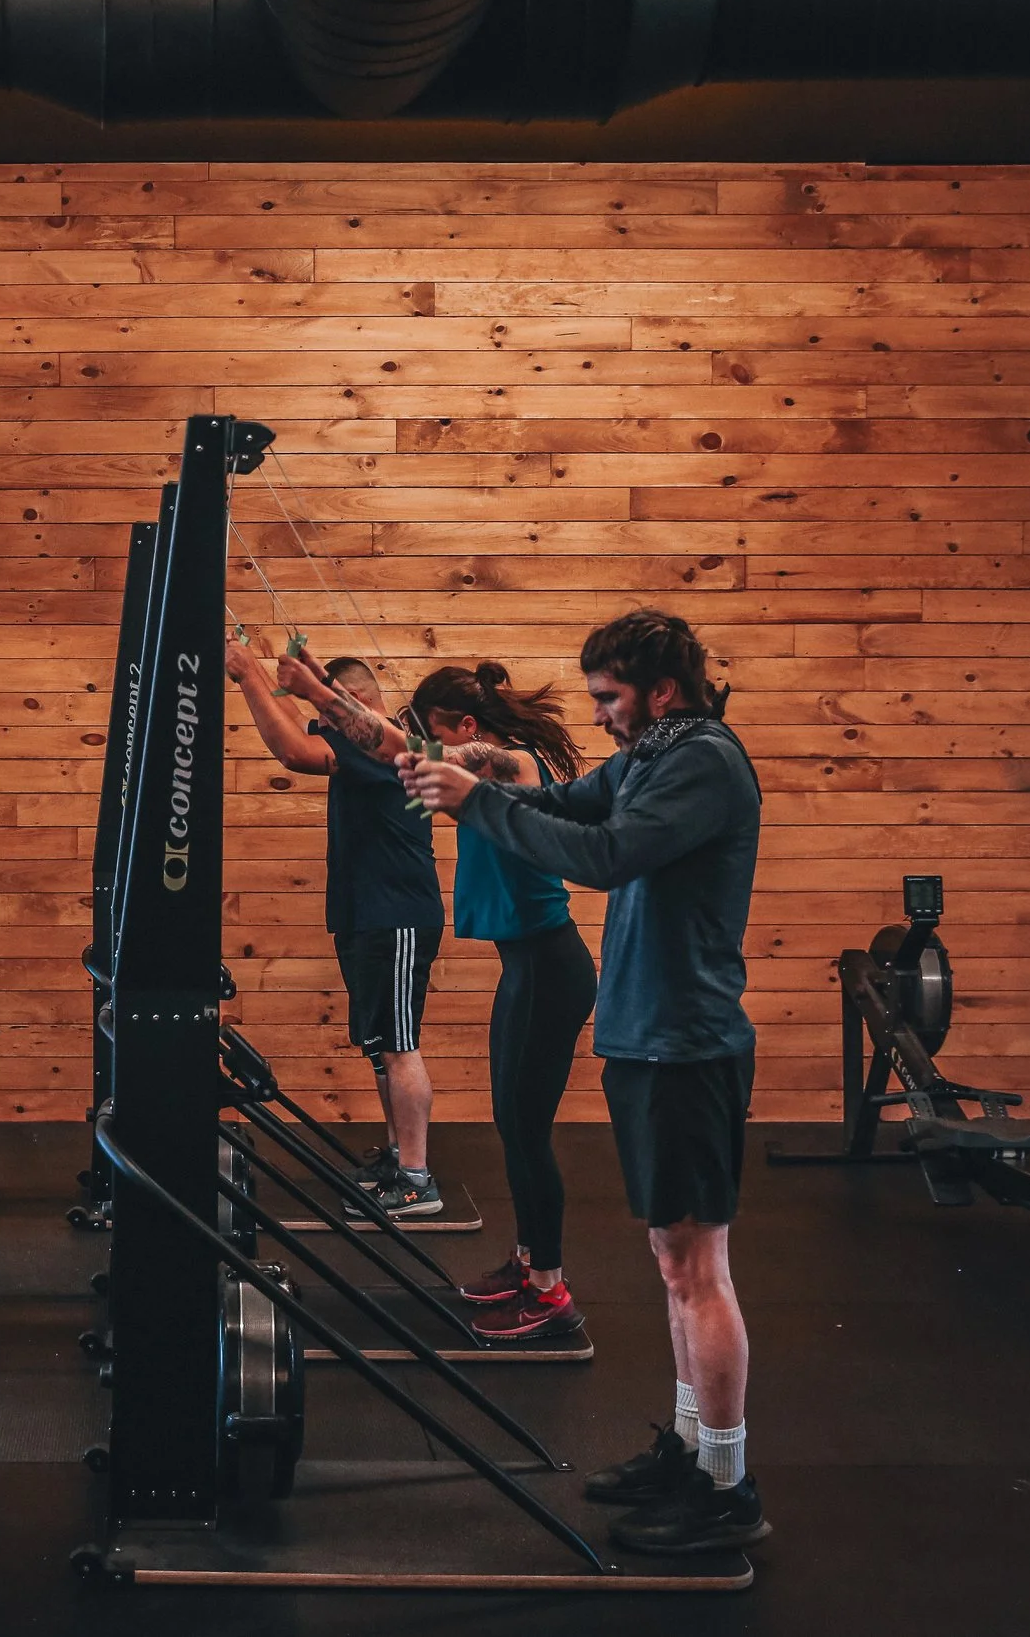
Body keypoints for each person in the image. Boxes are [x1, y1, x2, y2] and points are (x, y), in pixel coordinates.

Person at [401, 610, 768, 1554]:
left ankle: (726, 1486)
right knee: (674, 1263)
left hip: (689, 1044)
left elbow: (604, 856)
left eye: (610, 698)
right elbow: (575, 800)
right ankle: (693, 1450)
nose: (600, 713)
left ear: (662, 690)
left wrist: (473, 802)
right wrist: (487, 769)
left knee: (699, 1271)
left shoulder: (704, 761)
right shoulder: (656, 754)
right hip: (648, 1037)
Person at [402, 664, 597, 1345]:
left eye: (439, 735)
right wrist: (319, 695)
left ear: (468, 725)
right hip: (529, 969)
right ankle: (527, 1263)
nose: (434, 748)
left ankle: (549, 1291)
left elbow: (490, 760)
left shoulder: (516, 767)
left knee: (526, 1131)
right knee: (514, 1126)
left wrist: (453, 756)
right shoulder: (481, 776)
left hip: (550, 967)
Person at [226, 635, 446, 1217]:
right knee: (381, 1048)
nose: (325, 717)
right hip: (367, 915)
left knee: (398, 1046)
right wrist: (276, 678)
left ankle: (418, 1179)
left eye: (332, 705)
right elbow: (301, 731)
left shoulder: (391, 750)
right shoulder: (362, 742)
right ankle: (402, 1158)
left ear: (355, 701)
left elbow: (295, 753)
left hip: (395, 917)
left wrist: (249, 673)